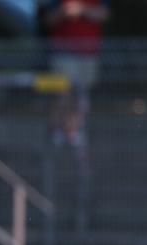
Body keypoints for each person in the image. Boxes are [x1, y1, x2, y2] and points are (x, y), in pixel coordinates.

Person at [41, 0, 109, 148]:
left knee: (81, 96)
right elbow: (47, 19)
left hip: (88, 53)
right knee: (62, 94)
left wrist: (82, 10)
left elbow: (103, 14)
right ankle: (56, 131)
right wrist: (64, 11)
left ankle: (74, 131)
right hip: (62, 53)